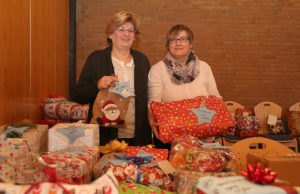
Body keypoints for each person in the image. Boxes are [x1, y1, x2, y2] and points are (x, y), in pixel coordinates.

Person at [72, 10, 151, 146]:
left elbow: (148, 98)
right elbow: (78, 95)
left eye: (131, 30)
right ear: (110, 34)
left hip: (137, 136)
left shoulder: (142, 60)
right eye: (121, 29)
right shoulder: (96, 59)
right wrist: (97, 85)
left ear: (134, 36)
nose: (126, 34)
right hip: (105, 137)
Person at [148, 24, 220, 149]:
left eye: (183, 39)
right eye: (174, 39)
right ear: (168, 45)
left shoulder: (204, 67)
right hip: (173, 139)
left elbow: (215, 98)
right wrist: (151, 121)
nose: (178, 43)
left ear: (190, 43)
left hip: (203, 137)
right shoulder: (158, 69)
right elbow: (153, 103)